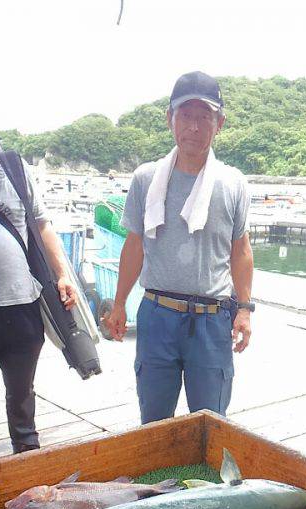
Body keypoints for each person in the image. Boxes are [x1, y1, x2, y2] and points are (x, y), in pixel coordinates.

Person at [105, 71, 254, 424]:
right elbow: (135, 245)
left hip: (212, 319)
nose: (194, 126)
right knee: (154, 422)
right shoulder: (146, 179)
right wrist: (119, 303)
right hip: (157, 314)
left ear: (220, 123)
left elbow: (241, 251)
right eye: (185, 115)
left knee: (211, 422)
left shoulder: (233, 183)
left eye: (205, 117)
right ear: (169, 118)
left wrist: (245, 310)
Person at [0, 92, 77, 463]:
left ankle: (28, 466)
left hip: (21, 308)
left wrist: (62, 274)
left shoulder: (13, 167)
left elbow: (42, 225)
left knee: (22, 400)